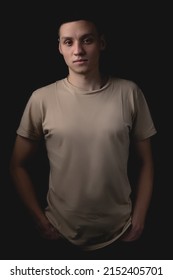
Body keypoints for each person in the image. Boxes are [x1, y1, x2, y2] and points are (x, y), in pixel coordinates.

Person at [10, 13, 157, 259]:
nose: (78, 50)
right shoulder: (41, 98)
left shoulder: (129, 92)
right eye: (68, 42)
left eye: (86, 40)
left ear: (102, 43)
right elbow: (16, 165)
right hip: (59, 233)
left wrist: (140, 216)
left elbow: (147, 163)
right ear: (59, 48)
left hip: (122, 231)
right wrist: (39, 218)